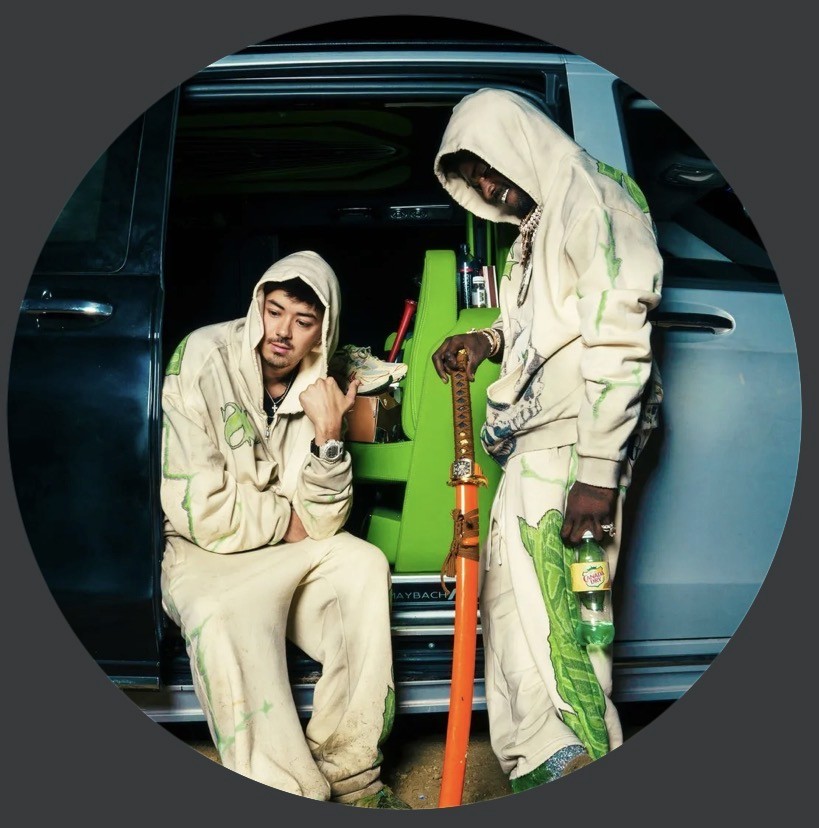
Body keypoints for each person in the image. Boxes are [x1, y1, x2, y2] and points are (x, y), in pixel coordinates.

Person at [431, 88, 664, 789]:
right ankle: (541, 764)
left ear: (517, 141)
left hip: (573, 440)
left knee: (564, 634)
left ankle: (584, 762)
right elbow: (545, 324)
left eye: (488, 167)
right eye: (472, 178)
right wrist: (485, 337)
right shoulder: (535, 224)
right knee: (517, 618)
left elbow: (618, 333)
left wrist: (595, 473)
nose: (485, 186)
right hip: (530, 438)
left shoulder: (591, 197)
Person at [159, 249, 410, 808]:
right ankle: (284, 790)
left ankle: (350, 772)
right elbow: (201, 511)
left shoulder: (324, 385)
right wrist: (285, 518)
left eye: (302, 322)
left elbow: (321, 523)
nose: (282, 333)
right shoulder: (202, 356)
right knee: (222, 617)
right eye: (274, 312)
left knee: (362, 564)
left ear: (322, 331)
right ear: (257, 307)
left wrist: (328, 437)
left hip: (281, 544)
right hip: (204, 553)